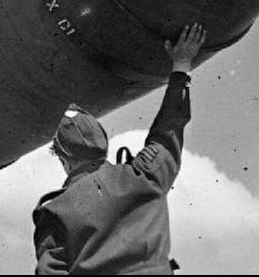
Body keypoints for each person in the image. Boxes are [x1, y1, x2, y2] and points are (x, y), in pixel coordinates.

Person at [32, 23, 207, 275]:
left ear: (63, 159)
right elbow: (169, 127)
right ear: (104, 147)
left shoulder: (54, 212)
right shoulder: (145, 176)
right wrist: (181, 64)